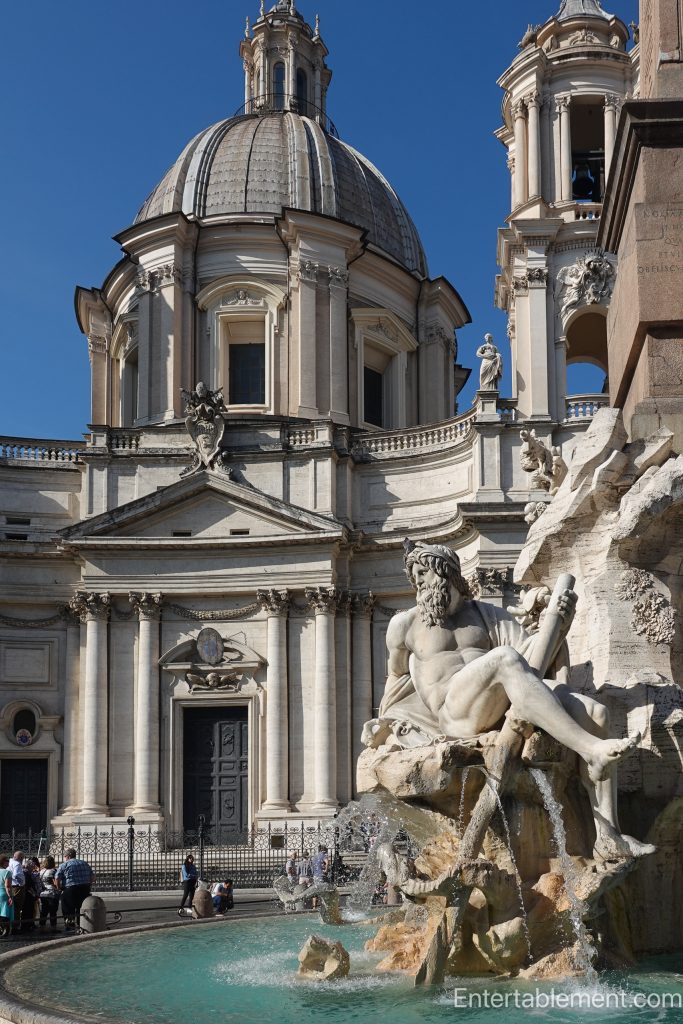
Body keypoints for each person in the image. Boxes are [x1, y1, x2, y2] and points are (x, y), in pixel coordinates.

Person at [364, 540, 653, 862]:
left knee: (596, 713)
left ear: (445, 573)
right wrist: (384, 723)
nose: (417, 582)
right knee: (503, 658)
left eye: (422, 573)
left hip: (496, 705)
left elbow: (533, 661)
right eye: (414, 576)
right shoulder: (404, 624)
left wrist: (559, 622)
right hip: (454, 714)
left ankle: (608, 836)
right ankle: (591, 749)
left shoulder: (487, 615)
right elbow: (397, 680)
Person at [55, 849, 94, 931]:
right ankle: (82, 925)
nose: (64, 858)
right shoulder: (84, 863)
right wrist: (88, 885)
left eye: (64, 857)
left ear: (68, 856)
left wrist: (59, 888)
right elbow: (93, 877)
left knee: (68, 909)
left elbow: (57, 879)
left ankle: (70, 926)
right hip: (84, 889)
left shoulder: (64, 865)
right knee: (81, 908)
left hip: (70, 889)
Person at [39, 856, 60, 932]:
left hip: (43, 893)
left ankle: (42, 927)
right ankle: (53, 928)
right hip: (52, 893)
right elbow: (55, 882)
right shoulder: (53, 871)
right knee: (53, 911)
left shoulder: (41, 871)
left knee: (44, 911)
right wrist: (58, 888)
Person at [7, 852, 25, 935]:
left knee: (13, 907)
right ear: (20, 858)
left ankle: (12, 925)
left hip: (11, 886)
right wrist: (21, 883)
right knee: (17, 907)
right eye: (22, 858)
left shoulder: (10, 862)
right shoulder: (17, 864)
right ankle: (16, 927)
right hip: (17, 887)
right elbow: (16, 874)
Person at [22, 857, 42, 931]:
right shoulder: (26, 873)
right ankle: (26, 925)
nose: (33, 868)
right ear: (29, 866)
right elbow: (28, 886)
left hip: (29, 895)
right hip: (28, 895)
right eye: (32, 866)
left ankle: (29, 924)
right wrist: (34, 894)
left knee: (30, 910)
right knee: (27, 910)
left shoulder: (27, 873)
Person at [0, 856, 14, 937]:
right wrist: (10, 897)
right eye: (7, 860)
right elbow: (7, 886)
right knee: (5, 913)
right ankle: (5, 930)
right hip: (3, 895)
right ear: (3, 862)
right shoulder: (7, 872)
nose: (8, 862)